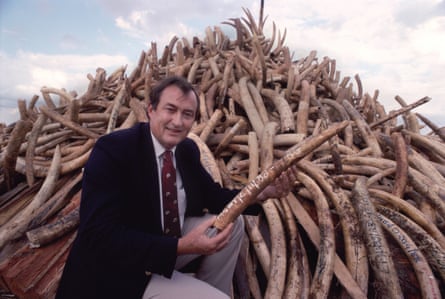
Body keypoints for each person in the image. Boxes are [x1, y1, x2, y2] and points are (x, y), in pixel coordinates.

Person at [55, 76, 296, 299]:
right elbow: (99, 235)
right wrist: (180, 247)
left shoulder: (185, 150)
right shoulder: (114, 150)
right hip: (119, 273)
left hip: (164, 248)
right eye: (170, 110)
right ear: (151, 110)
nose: (178, 122)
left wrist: (262, 193)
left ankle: (209, 291)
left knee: (232, 223)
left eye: (187, 114)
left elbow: (213, 197)